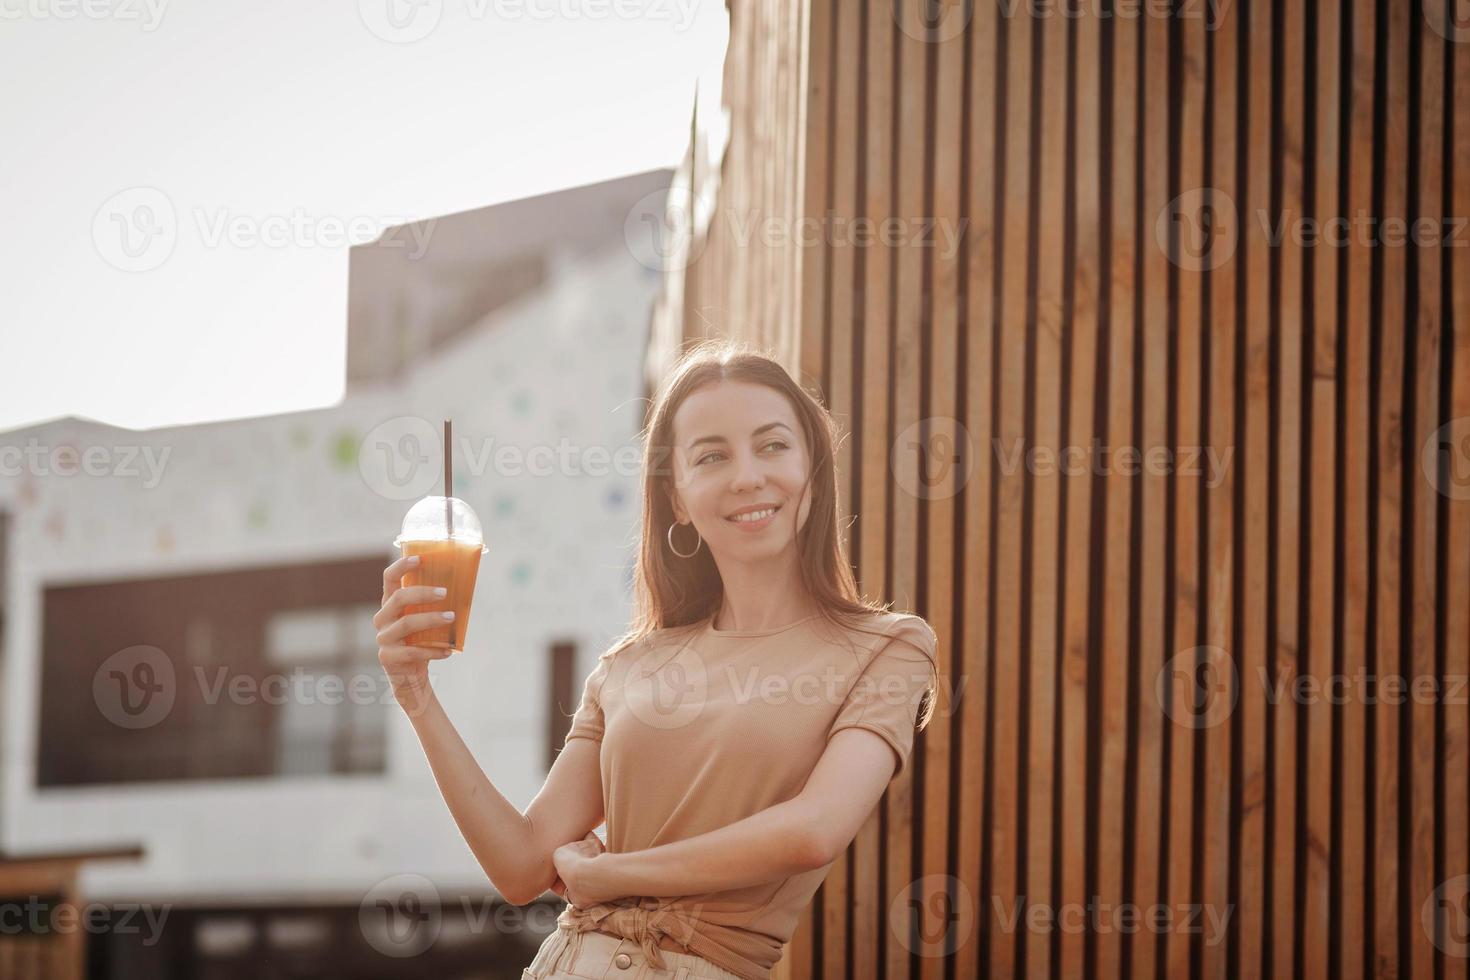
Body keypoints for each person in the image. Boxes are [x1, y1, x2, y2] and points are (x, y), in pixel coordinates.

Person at [374, 339, 939, 980]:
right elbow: (522, 865)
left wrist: (609, 873)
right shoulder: (628, 666)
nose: (748, 474)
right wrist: (415, 692)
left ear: (813, 467)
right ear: (677, 499)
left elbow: (813, 832)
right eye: (712, 456)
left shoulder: (890, 647)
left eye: (773, 445)